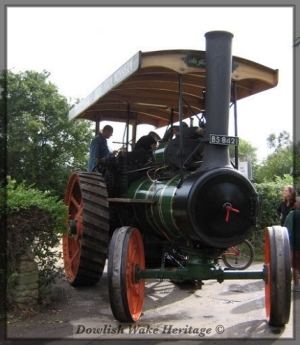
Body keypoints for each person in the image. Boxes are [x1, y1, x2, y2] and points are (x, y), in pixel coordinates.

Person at [284, 196, 300, 291]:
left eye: (296, 202)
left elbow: (287, 228)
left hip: (295, 244)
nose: (293, 204)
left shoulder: (293, 214)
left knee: (295, 265)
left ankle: (297, 285)